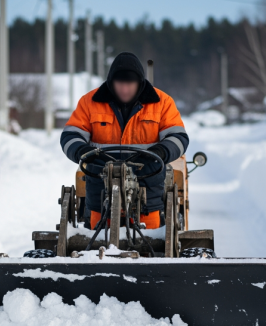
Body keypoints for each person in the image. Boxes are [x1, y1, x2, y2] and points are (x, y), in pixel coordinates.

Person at [60, 52, 189, 229]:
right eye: (120, 83)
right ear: (111, 82)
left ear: (140, 83)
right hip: (100, 188)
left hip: (147, 190)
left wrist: (161, 151)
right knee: (95, 246)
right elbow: (70, 135)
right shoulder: (89, 102)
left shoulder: (162, 103)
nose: (125, 89)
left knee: (150, 244)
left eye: (130, 84)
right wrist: (81, 151)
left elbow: (178, 137)